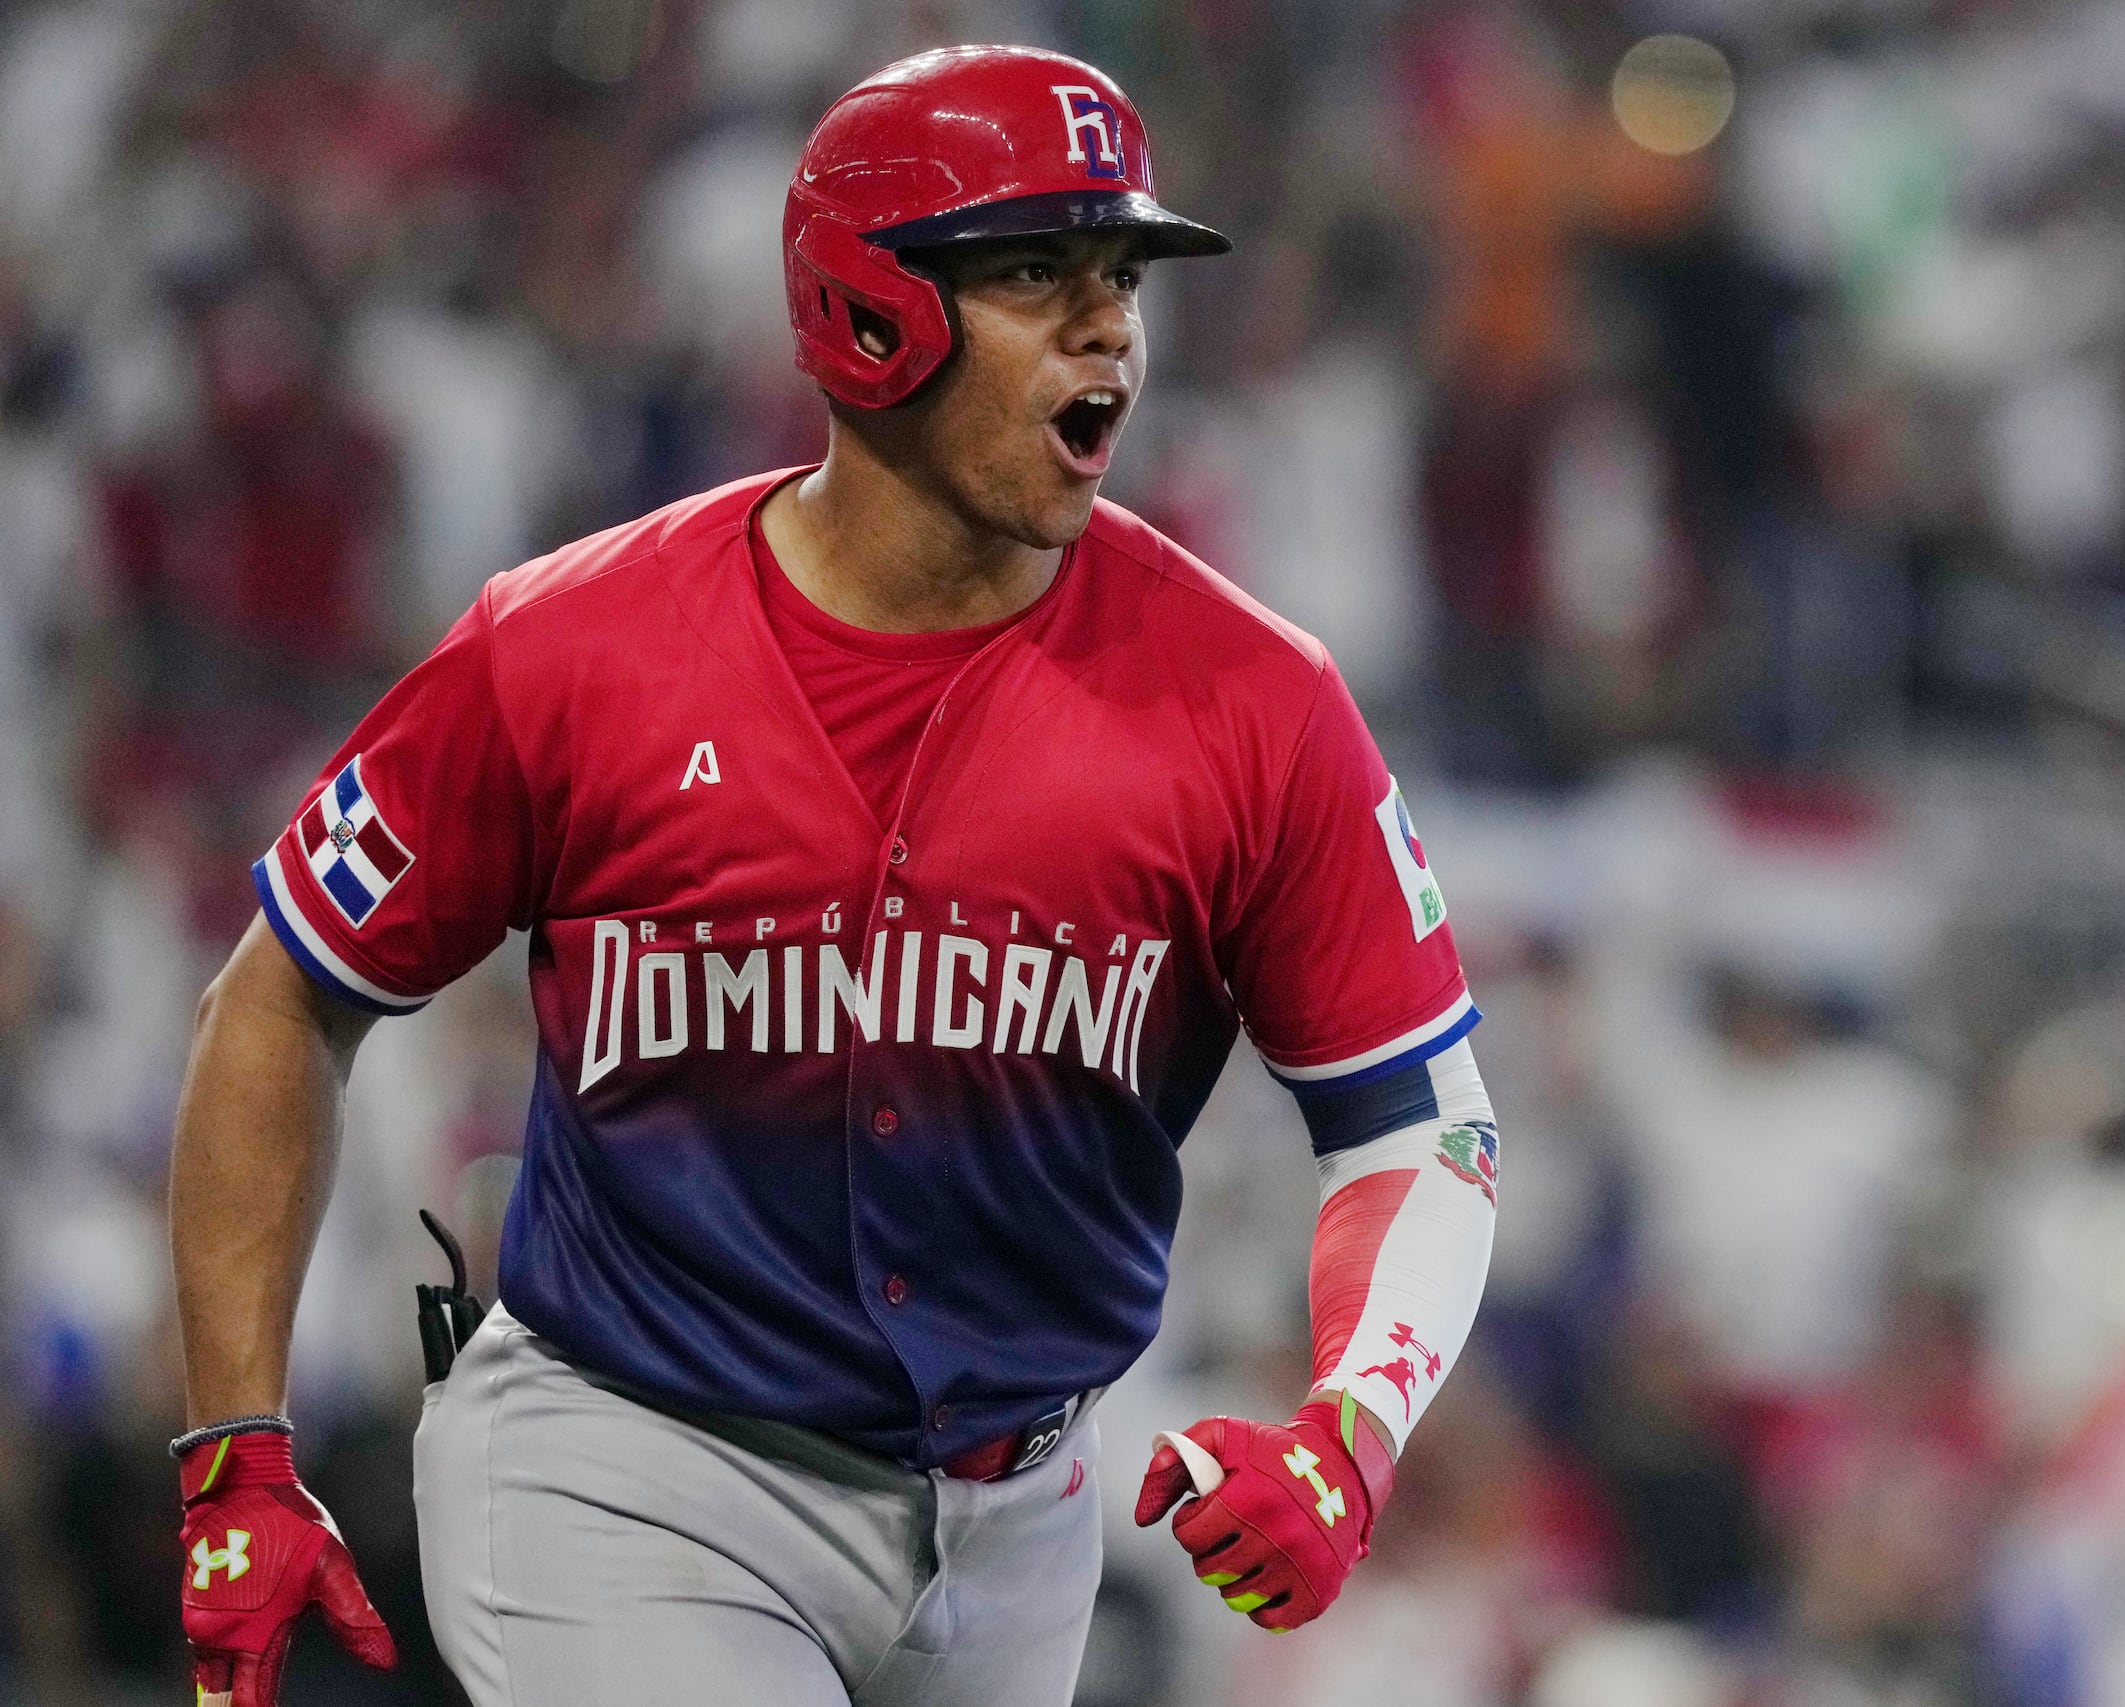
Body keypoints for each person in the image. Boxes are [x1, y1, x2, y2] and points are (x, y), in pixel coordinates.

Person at [163, 45, 1500, 1707]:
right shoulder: (569, 648)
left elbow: (1421, 1119)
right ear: (869, 315)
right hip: (626, 1460)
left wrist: (1352, 1428)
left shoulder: (1257, 701)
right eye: (1036, 271)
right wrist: (235, 1445)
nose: (1108, 327)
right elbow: (284, 989)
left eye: (1121, 277)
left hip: (1023, 1514)